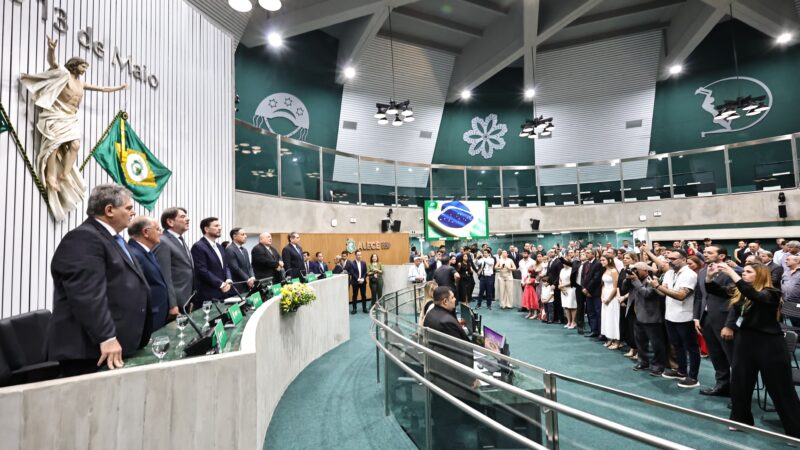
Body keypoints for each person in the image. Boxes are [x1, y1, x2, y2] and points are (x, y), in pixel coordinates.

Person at [47, 184, 150, 376]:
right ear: (109, 210)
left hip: (112, 346)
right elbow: (87, 294)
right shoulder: (84, 238)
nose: (133, 212)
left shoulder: (112, 239)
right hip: (91, 350)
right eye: (128, 208)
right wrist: (107, 337)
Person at [20, 37, 127, 221]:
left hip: (70, 117)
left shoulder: (82, 83)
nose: (85, 70)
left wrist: (119, 87)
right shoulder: (63, 74)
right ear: (74, 65)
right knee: (53, 146)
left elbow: (101, 88)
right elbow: (53, 63)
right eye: (83, 66)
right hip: (56, 114)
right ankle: (51, 176)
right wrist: (52, 49)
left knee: (75, 145)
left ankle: (64, 173)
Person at [708, 263, 800, 437]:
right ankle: (740, 420)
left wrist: (730, 272)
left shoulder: (772, 293)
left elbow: (755, 295)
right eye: (743, 272)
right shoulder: (741, 292)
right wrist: (709, 276)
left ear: (760, 275)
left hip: (770, 345)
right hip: (744, 343)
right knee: (740, 383)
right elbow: (713, 289)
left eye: (748, 272)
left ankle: (795, 430)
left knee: (781, 389)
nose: (744, 274)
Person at [422, 286, 476, 450]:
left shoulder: (432, 314)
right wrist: (470, 377)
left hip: (438, 373)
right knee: (449, 418)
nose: (455, 300)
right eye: (452, 298)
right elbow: (458, 352)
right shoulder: (445, 321)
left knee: (441, 415)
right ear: (444, 301)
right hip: (450, 379)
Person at [650, 249, 700, 388]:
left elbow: (681, 295)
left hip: (685, 316)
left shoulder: (689, 274)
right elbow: (662, 293)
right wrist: (655, 286)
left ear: (683, 259)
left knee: (691, 348)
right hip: (670, 315)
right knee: (676, 345)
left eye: (673, 258)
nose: (669, 261)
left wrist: (658, 286)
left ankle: (693, 377)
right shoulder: (670, 273)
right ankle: (681, 371)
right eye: (668, 258)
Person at [694, 245, 735, 396]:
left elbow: (736, 301)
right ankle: (722, 386)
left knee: (733, 359)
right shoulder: (703, 271)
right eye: (704, 252)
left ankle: (738, 393)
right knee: (716, 355)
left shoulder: (732, 272)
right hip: (706, 319)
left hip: (725, 320)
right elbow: (699, 297)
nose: (705, 254)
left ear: (722, 256)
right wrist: (696, 317)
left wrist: (730, 324)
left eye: (710, 253)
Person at [622, 262, 667, 376]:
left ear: (645, 270)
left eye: (637, 269)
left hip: (652, 317)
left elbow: (646, 293)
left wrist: (636, 281)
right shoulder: (633, 280)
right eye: (634, 269)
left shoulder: (652, 280)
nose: (635, 271)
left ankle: (658, 366)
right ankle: (643, 362)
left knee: (656, 343)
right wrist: (628, 279)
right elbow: (623, 289)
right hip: (637, 315)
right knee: (640, 342)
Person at [127, 217, 170, 331]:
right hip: (147, 318)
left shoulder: (146, 252)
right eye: (157, 229)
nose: (161, 233)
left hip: (157, 314)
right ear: (146, 232)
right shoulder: (134, 254)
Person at [153, 207, 192, 315]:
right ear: (170, 222)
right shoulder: (163, 241)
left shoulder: (180, 240)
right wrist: (172, 305)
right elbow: (165, 276)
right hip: (174, 305)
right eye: (183, 217)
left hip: (186, 302)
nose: (188, 219)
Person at [191, 217, 233, 308]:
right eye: (216, 226)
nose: (220, 228)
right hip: (208, 295)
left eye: (220, 225)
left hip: (223, 292)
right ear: (206, 229)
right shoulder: (198, 246)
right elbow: (202, 270)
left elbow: (225, 266)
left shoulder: (219, 246)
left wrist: (228, 280)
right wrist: (221, 284)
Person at [599, 255, 621, 349]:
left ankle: (617, 341)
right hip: (605, 295)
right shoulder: (605, 270)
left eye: (603, 260)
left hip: (612, 297)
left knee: (613, 318)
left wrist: (608, 299)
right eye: (601, 260)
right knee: (606, 318)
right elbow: (603, 285)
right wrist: (602, 296)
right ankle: (610, 339)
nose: (601, 262)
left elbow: (615, 287)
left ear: (609, 260)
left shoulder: (614, 271)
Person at [582, 250, 604, 338]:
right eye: (585, 253)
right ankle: (593, 330)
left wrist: (588, 289)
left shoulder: (598, 263)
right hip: (587, 292)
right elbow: (583, 277)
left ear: (593, 254)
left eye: (588, 253)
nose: (586, 255)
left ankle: (600, 332)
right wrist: (584, 288)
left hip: (595, 292)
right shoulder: (585, 264)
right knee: (591, 312)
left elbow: (596, 279)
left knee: (598, 313)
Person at [782, 254, 800, 327]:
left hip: (798, 302)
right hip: (788, 302)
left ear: (797, 261)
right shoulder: (786, 272)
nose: (785, 261)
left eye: (788, 259)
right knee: (794, 324)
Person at [560, 258, 577, 329]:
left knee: (572, 306)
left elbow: (573, 281)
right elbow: (560, 279)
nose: (564, 264)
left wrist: (563, 285)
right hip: (563, 290)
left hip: (571, 289)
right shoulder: (562, 270)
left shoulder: (572, 270)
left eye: (566, 263)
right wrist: (561, 287)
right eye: (563, 263)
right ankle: (569, 322)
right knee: (566, 306)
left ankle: (573, 322)